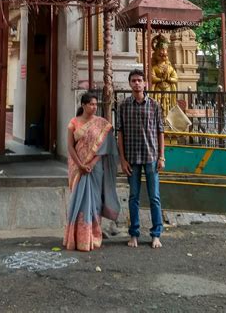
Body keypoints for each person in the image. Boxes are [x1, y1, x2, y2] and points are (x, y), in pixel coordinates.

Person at [63, 92, 120, 252]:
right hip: (78, 168)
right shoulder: (73, 123)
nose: (94, 107)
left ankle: (93, 236)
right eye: (91, 104)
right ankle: (77, 238)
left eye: (96, 104)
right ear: (83, 105)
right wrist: (80, 165)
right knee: (78, 201)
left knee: (94, 201)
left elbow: (104, 148)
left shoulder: (101, 124)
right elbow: (69, 147)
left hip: (95, 169)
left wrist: (91, 163)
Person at [117, 69, 165, 249]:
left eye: (139, 80)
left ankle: (156, 234)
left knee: (154, 197)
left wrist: (162, 156)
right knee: (133, 197)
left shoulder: (154, 105)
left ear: (145, 83)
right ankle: (134, 233)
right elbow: (119, 133)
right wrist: (122, 159)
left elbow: (161, 132)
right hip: (132, 158)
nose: (137, 83)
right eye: (133, 81)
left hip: (151, 156)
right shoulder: (123, 106)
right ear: (130, 84)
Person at [151, 34, 178, 116]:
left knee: (167, 103)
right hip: (158, 88)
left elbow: (175, 78)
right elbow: (152, 78)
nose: (163, 56)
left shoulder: (170, 67)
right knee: (158, 102)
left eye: (165, 55)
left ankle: (167, 119)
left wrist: (169, 79)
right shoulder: (155, 67)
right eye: (160, 55)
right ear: (156, 55)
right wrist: (161, 79)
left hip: (168, 88)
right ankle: (158, 118)